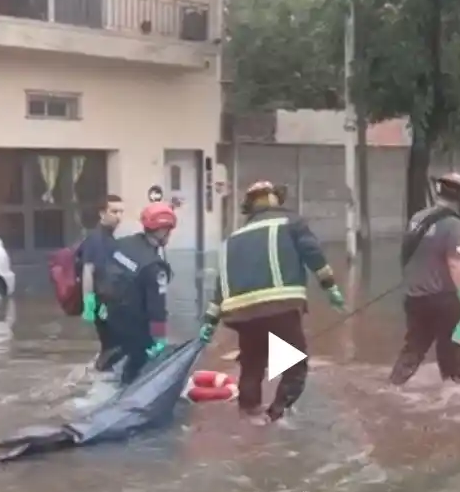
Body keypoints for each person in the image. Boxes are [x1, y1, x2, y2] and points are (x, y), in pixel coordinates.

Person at [197, 180, 345, 424]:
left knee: (252, 364)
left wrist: (210, 322)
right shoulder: (291, 222)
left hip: (241, 314)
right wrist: (331, 288)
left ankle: (249, 415)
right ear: (274, 198)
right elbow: (313, 254)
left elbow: (221, 283)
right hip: (280, 308)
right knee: (295, 366)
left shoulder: (233, 238)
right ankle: (275, 417)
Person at [389, 172, 460, 386]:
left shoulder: (417, 218)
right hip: (444, 300)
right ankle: (453, 390)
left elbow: (408, 254)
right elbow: (455, 263)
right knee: (453, 346)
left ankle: (394, 385)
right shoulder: (453, 224)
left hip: (414, 298)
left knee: (414, 347)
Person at [95, 202, 177, 386]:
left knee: (110, 364)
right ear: (162, 231)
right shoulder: (154, 267)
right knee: (135, 370)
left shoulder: (122, 244)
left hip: (107, 319)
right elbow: (157, 311)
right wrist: (160, 341)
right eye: (168, 230)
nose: (169, 234)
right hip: (133, 328)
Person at [79, 194, 125, 370]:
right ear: (102, 213)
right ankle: (101, 373)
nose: (119, 216)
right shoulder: (96, 239)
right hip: (103, 303)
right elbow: (88, 271)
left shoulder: (110, 239)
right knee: (112, 346)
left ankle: (101, 371)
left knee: (113, 346)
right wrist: (89, 303)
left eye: (121, 212)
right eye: (114, 211)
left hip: (111, 303)